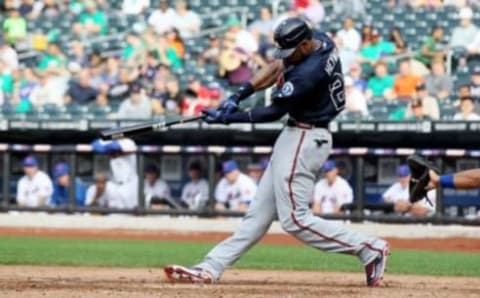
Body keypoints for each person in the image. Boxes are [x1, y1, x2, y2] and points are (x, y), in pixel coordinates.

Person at [165, 17, 388, 287]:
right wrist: (239, 94)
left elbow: (272, 112)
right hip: (297, 134)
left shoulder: (308, 73)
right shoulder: (320, 40)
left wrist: (229, 117)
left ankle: (369, 248)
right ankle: (210, 267)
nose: (286, 56)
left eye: (292, 50)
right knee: (257, 216)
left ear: (305, 45)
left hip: (306, 137)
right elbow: (276, 66)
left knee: (294, 219)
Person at [90, 138, 139, 209]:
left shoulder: (128, 142)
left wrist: (105, 146)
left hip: (130, 184)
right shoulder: (110, 186)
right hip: (115, 184)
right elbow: (94, 144)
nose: (111, 155)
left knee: (134, 214)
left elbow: (115, 146)